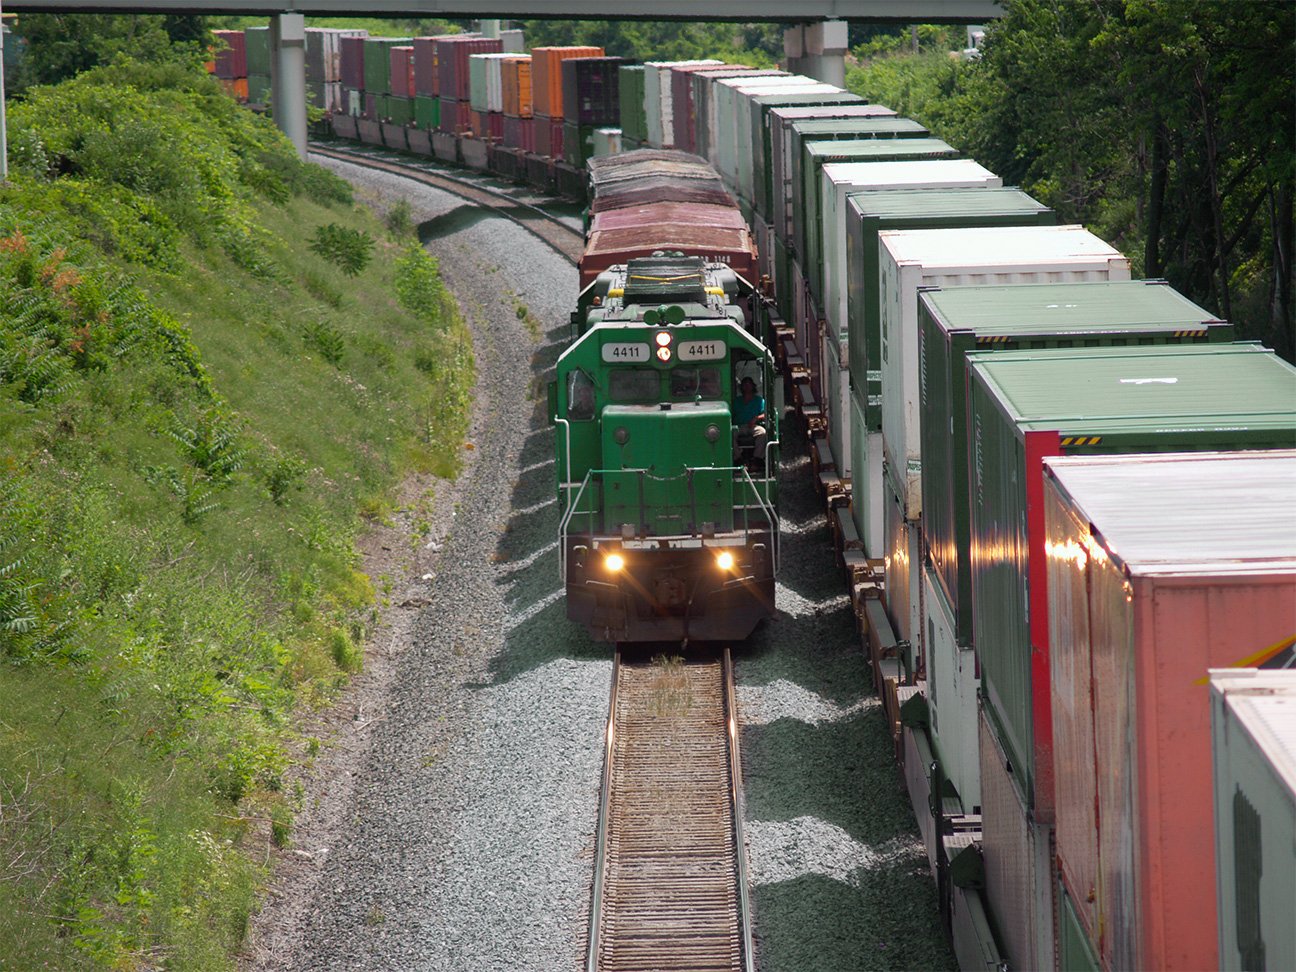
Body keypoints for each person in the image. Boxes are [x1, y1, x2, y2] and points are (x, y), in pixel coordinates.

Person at [733, 376, 767, 461]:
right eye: (745, 384)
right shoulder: (736, 401)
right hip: (738, 426)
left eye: (749, 384)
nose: (747, 387)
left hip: (753, 426)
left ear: (753, 386)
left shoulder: (759, 401)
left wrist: (756, 418)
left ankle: (757, 459)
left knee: (762, 433)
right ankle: (738, 458)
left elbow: (765, 414)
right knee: (728, 435)